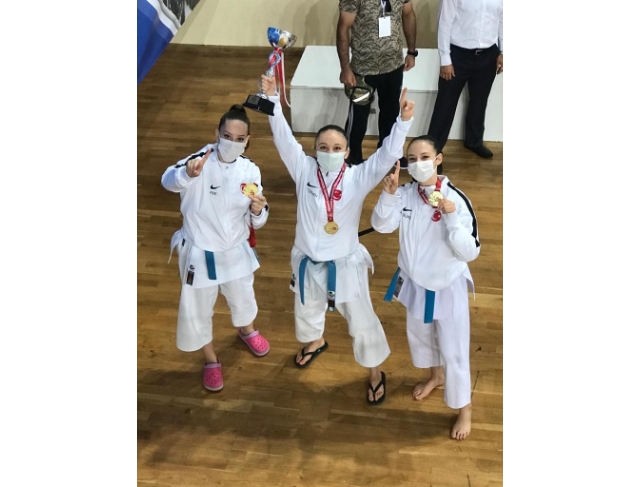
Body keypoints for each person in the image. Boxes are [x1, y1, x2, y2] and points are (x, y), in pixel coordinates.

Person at [261, 74, 414, 405]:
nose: (329, 152)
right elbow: (283, 138)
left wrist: (402, 122)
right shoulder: (304, 169)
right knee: (306, 311)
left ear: (346, 152)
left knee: (362, 322)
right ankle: (315, 341)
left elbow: (386, 154)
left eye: (336, 148)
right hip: (306, 261)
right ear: (314, 150)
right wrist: (272, 99)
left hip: (344, 265)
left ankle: (375, 372)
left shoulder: (358, 177)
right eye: (323, 148)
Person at [371, 135, 480, 439]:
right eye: (411, 158)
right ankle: (436, 376)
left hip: (446, 285)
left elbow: (470, 252)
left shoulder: (456, 199)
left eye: (424, 157)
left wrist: (451, 218)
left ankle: (465, 408)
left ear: (438, 159)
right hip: (415, 282)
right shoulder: (405, 194)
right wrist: (388, 195)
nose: (417, 163)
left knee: (454, 348)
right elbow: (381, 225)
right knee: (421, 336)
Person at [161, 105, 271, 393]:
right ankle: (210, 359)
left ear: (248, 140)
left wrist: (259, 211)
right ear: (217, 134)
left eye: (239, 138)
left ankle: (246, 330)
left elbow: (257, 218)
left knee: (243, 298)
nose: (232, 142)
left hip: (235, 250)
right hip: (200, 251)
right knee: (198, 310)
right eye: (227, 136)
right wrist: (187, 174)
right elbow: (168, 180)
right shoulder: (198, 162)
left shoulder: (250, 170)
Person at [337, 0, 417, 165]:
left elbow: (408, 14)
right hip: (363, 69)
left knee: (391, 113)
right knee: (358, 118)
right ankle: (351, 158)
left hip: (394, 65)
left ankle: (389, 155)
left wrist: (411, 51)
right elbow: (343, 27)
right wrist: (345, 67)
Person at [427, 0, 503, 160]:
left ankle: (474, 141)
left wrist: (503, 51)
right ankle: (433, 152)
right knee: (445, 104)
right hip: (457, 56)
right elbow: (444, 23)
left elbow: (502, 20)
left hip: (488, 56)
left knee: (479, 102)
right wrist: (445, 60)